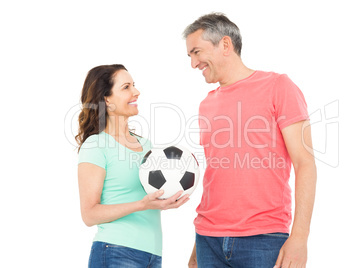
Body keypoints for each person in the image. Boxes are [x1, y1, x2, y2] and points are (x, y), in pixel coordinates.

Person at [183, 13, 317, 268]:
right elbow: (217, 177)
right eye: (189, 56)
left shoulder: (278, 86)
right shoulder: (206, 104)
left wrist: (300, 237)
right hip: (207, 240)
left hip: (263, 238)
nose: (193, 63)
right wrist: (196, 243)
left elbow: (305, 164)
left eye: (196, 52)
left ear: (225, 44)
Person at [76, 64, 189, 268]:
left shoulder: (146, 145)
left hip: (152, 254)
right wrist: (141, 205)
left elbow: (145, 199)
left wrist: (164, 201)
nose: (136, 92)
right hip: (115, 251)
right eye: (126, 87)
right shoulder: (96, 145)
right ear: (106, 99)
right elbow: (89, 215)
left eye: (134, 85)